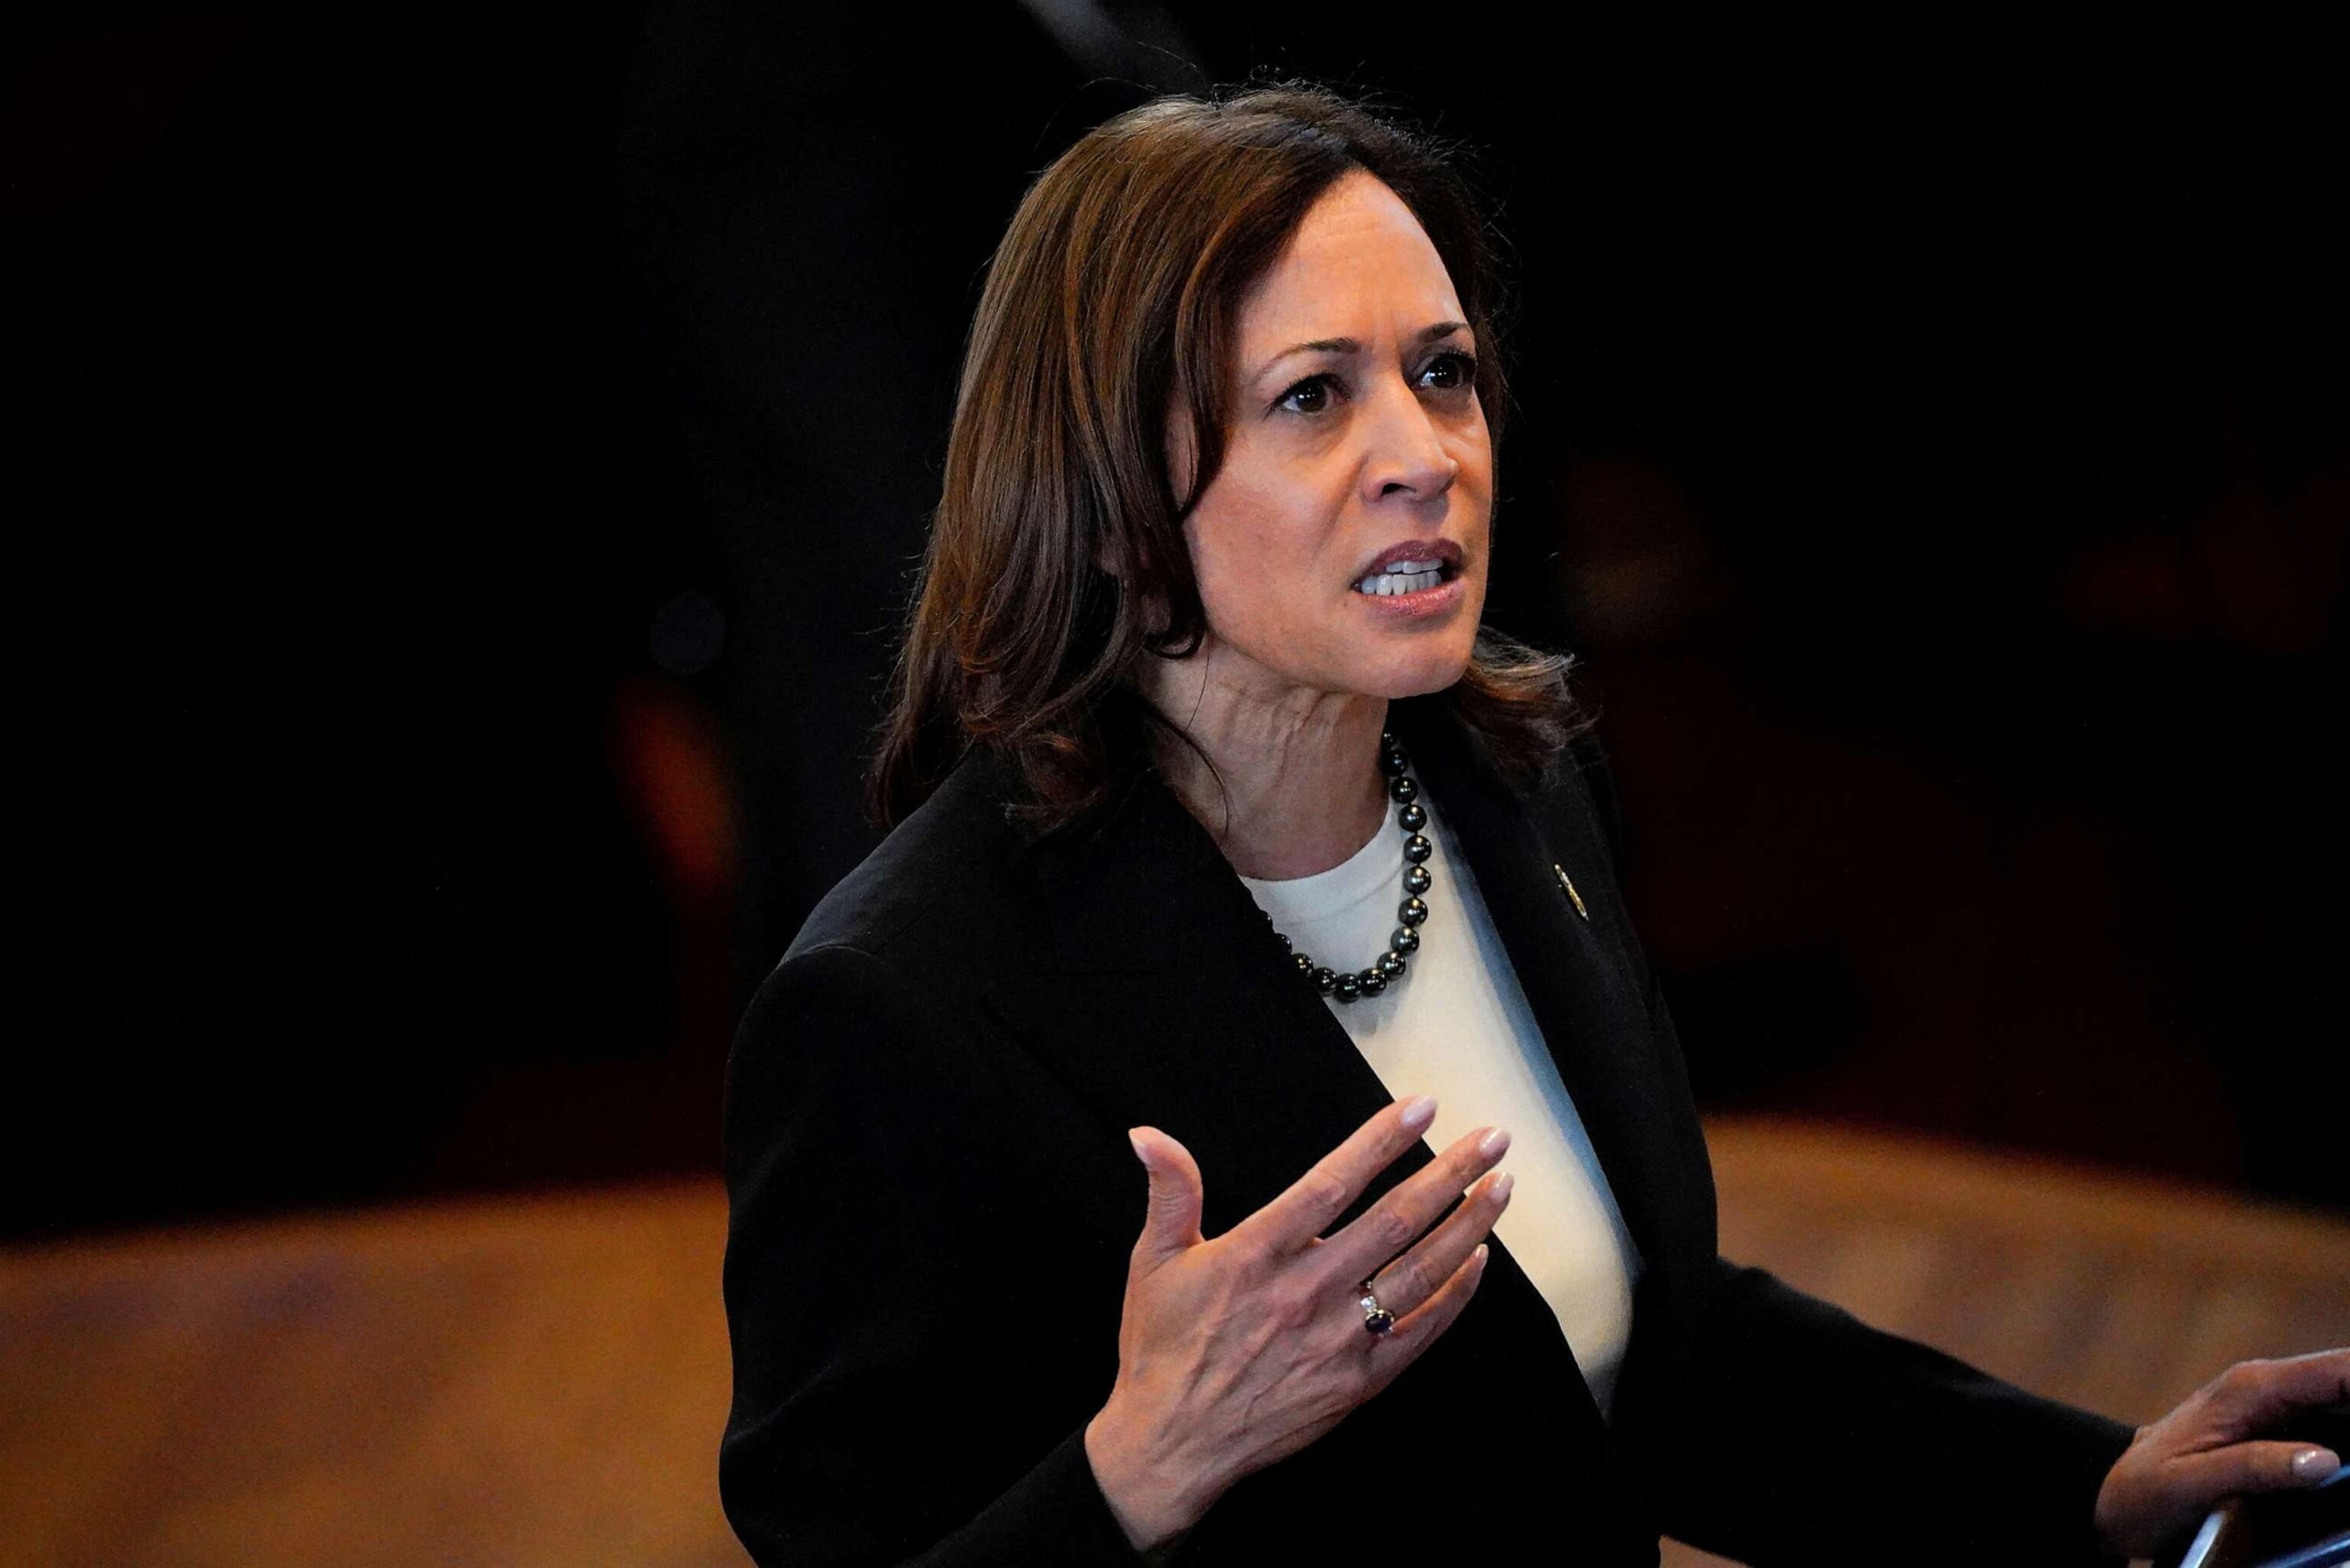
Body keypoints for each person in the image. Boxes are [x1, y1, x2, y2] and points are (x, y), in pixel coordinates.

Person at [718, 85, 2348, 1565]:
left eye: (1442, 373)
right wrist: (1145, 1463)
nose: (1426, 456)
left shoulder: (1517, 783)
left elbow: (1660, 1350)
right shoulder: (896, 1011)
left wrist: (2089, 1483)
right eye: (1312, 396)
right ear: (1111, 499)